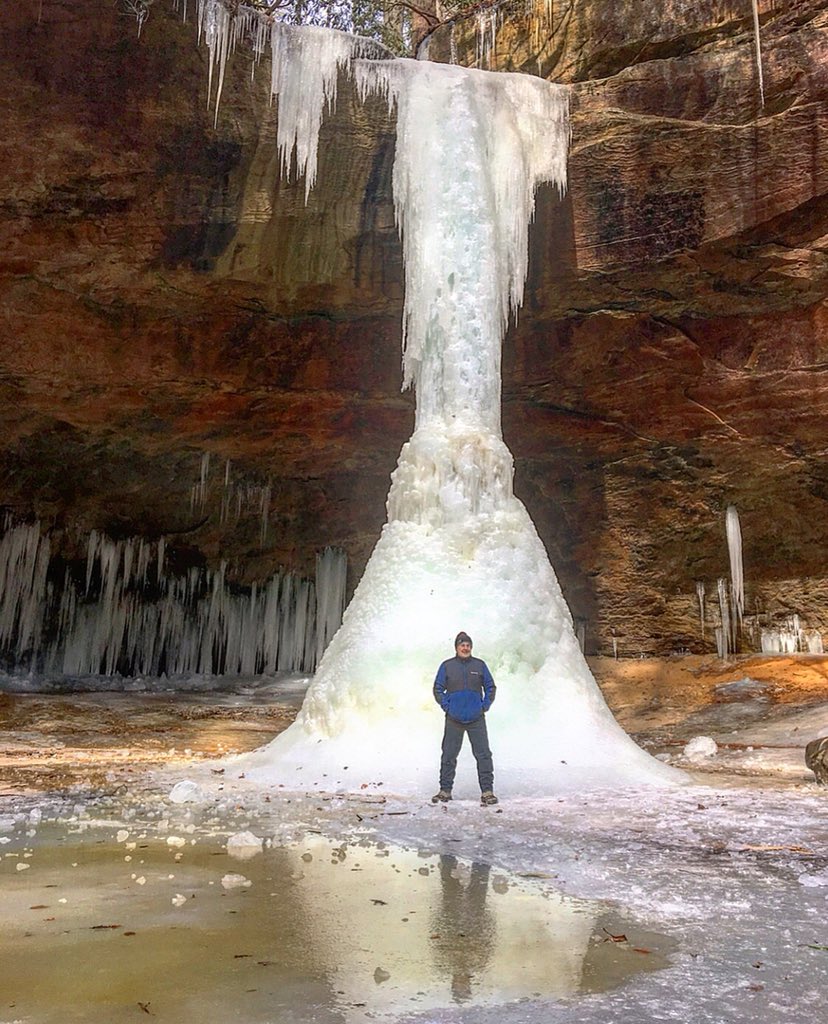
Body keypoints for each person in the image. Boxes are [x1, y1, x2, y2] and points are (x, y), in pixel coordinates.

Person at [431, 631, 498, 806]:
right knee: (449, 755)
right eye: (462, 645)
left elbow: (491, 687)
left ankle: (487, 791)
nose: (465, 647)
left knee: (483, 755)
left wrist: (484, 706)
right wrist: (448, 706)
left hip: (476, 718)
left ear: (471, 647)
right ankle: (445, 790)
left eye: (468, 645)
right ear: (456, 647)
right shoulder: (447, 666)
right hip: (454, 718)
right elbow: (437, 689)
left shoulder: (479, 665)